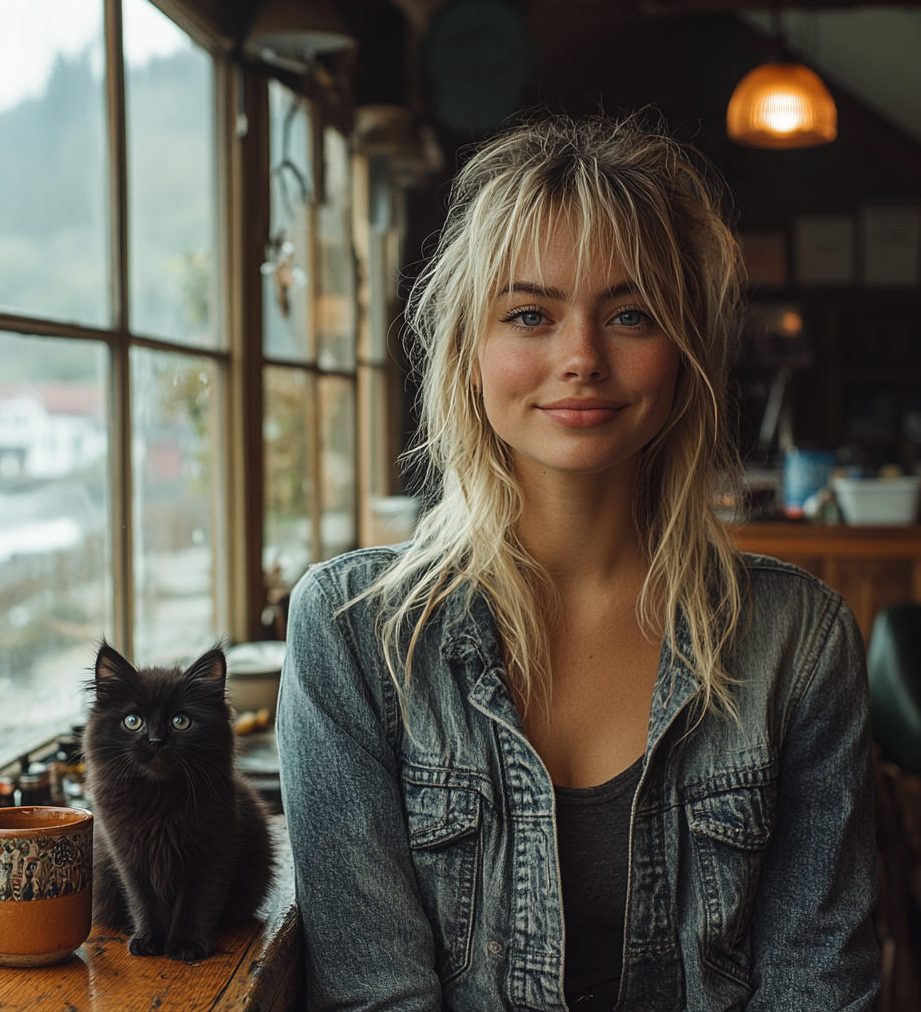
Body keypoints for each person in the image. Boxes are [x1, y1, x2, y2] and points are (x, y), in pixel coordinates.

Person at [276, 115, 880, 1012]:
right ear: (469, 356)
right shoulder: (353, 630)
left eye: (630, 315)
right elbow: (378, 995)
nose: (582, 359)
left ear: (684, 356)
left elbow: (819, 984)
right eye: (530, 314)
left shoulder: (799, 639)